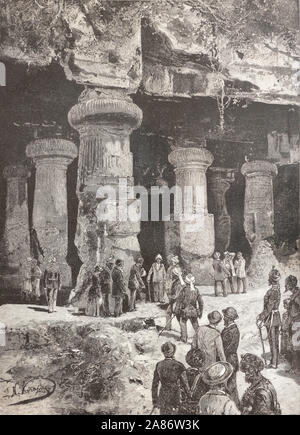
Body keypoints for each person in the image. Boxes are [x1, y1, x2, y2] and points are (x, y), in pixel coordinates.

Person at [152, 342, 190, 415]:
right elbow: (185, 384)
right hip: (175, 395)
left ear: (163, 352)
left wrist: (155, 401)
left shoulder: (159, 365)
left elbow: (155, 385)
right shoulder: (179, 365)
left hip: (163, 396)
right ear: (174, 352)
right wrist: (189, 396)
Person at [257, 266, 281, 369]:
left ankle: (274, 363)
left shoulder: (272, 291)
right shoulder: (277, 289)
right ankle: (275, 361)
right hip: (276, 317)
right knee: (275, 341)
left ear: (271, 279)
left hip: (271, 318)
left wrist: (260, 317)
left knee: (273, 341)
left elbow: (269, 308)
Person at [174, 273, 203, 343]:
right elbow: (201, 302)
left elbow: (179, 301)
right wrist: (200, 312)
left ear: (186, 282)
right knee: (195, 324)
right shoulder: (196, 290)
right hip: (194, 311)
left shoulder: (183, 290)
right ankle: (200, 338)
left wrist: (176, 310)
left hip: (185, 311)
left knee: (182, 323)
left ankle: (184, 338)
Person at [179, 348, 208, 414]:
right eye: (202, 360)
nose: (204, 361)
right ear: (199, 361)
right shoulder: (203, 376)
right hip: (199, 409)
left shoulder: (182, 374)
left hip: (183, 409)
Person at [221, 307, 240, 407]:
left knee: (231, 385)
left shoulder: (232, 330)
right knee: (228, 384)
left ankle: (235, 406)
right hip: (229, 359)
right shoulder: (229, 329)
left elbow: (230, 348)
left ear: (228, 318)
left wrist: (220, 353)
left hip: (230, 360)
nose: (223, 318)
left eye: (225, 317)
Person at [285, 275, 300, 373]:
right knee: (294, 346)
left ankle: (296, 368)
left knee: (296, 347)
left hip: (297, 323)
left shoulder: (297, 296)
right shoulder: (295, 294)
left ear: (290, 285)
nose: (285, 286)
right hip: (294, 322)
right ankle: (295, 367)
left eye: (287, 284)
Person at [165, 255, 183, 331]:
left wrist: (170, 296)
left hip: (177, 303)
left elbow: (176, 296)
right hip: (173, 301)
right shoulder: (174, 282)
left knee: (178, 317)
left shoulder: (178, 284)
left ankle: (183, 332)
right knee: (168, 313)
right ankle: (168, 327)